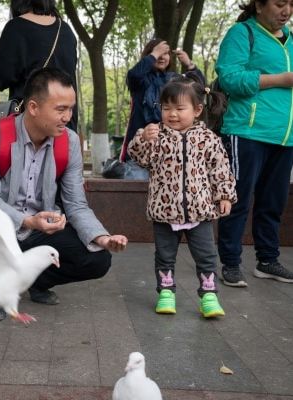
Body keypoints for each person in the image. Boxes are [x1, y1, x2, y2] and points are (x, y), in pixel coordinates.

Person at [0, 67, 128, 321]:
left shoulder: (69, 142)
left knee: (98, 261)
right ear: (33, 107)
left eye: (70, 109)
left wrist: (102, 238)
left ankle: (33, 282)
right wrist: (26, 220)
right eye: (60, 109)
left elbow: (76, 204)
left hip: (40, 232)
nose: (67, 117)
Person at [128, 76, 237, 318]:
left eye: (179, 108)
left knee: (206, 255)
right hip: (165, 212)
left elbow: (220, 169)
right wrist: (142, 139)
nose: (172, 114)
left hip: (200, 210)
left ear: (197, 110)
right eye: (166, 108)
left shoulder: (209, 139)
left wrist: (224, 195)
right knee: (165, 255)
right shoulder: (157, 137)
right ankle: (166, 292)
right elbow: (139, 158)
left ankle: (209, 296)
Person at [216, 0, 293, 287]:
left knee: (273, 202)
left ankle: (268, 260)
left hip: (285, 136)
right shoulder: (242, 34)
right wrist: (280, 79)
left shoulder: (292, 42)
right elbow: (230, 78)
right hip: (246, 132)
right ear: (259, 5)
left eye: (291, 4)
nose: (286, 11)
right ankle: (231, 263)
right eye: (279, 3)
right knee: (237, 199)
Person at [0, 0, 79, 131]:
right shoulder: (66, 30)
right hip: (65, 124)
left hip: (31, 126)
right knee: (62, 151)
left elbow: (5, 76)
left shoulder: (16, 28)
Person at [120, 39, 205, 163]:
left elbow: (199, 88)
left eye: (165, 54)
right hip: (140, 151)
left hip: (168, 152)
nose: (161, 57)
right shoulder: (140, 80)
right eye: (157, 53)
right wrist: (154, 54)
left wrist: (189, 64)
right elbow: (134, 75)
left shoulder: (174, 79)